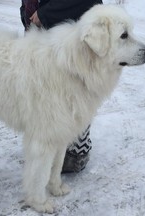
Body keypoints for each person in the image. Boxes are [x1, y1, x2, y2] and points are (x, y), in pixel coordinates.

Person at [20, 0, 103, 173]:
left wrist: (44, 14)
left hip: (76, 40)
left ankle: (75, 151)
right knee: (48, 100)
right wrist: (28, 17)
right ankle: (48, 146)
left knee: (77, 97)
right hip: (45, 41)